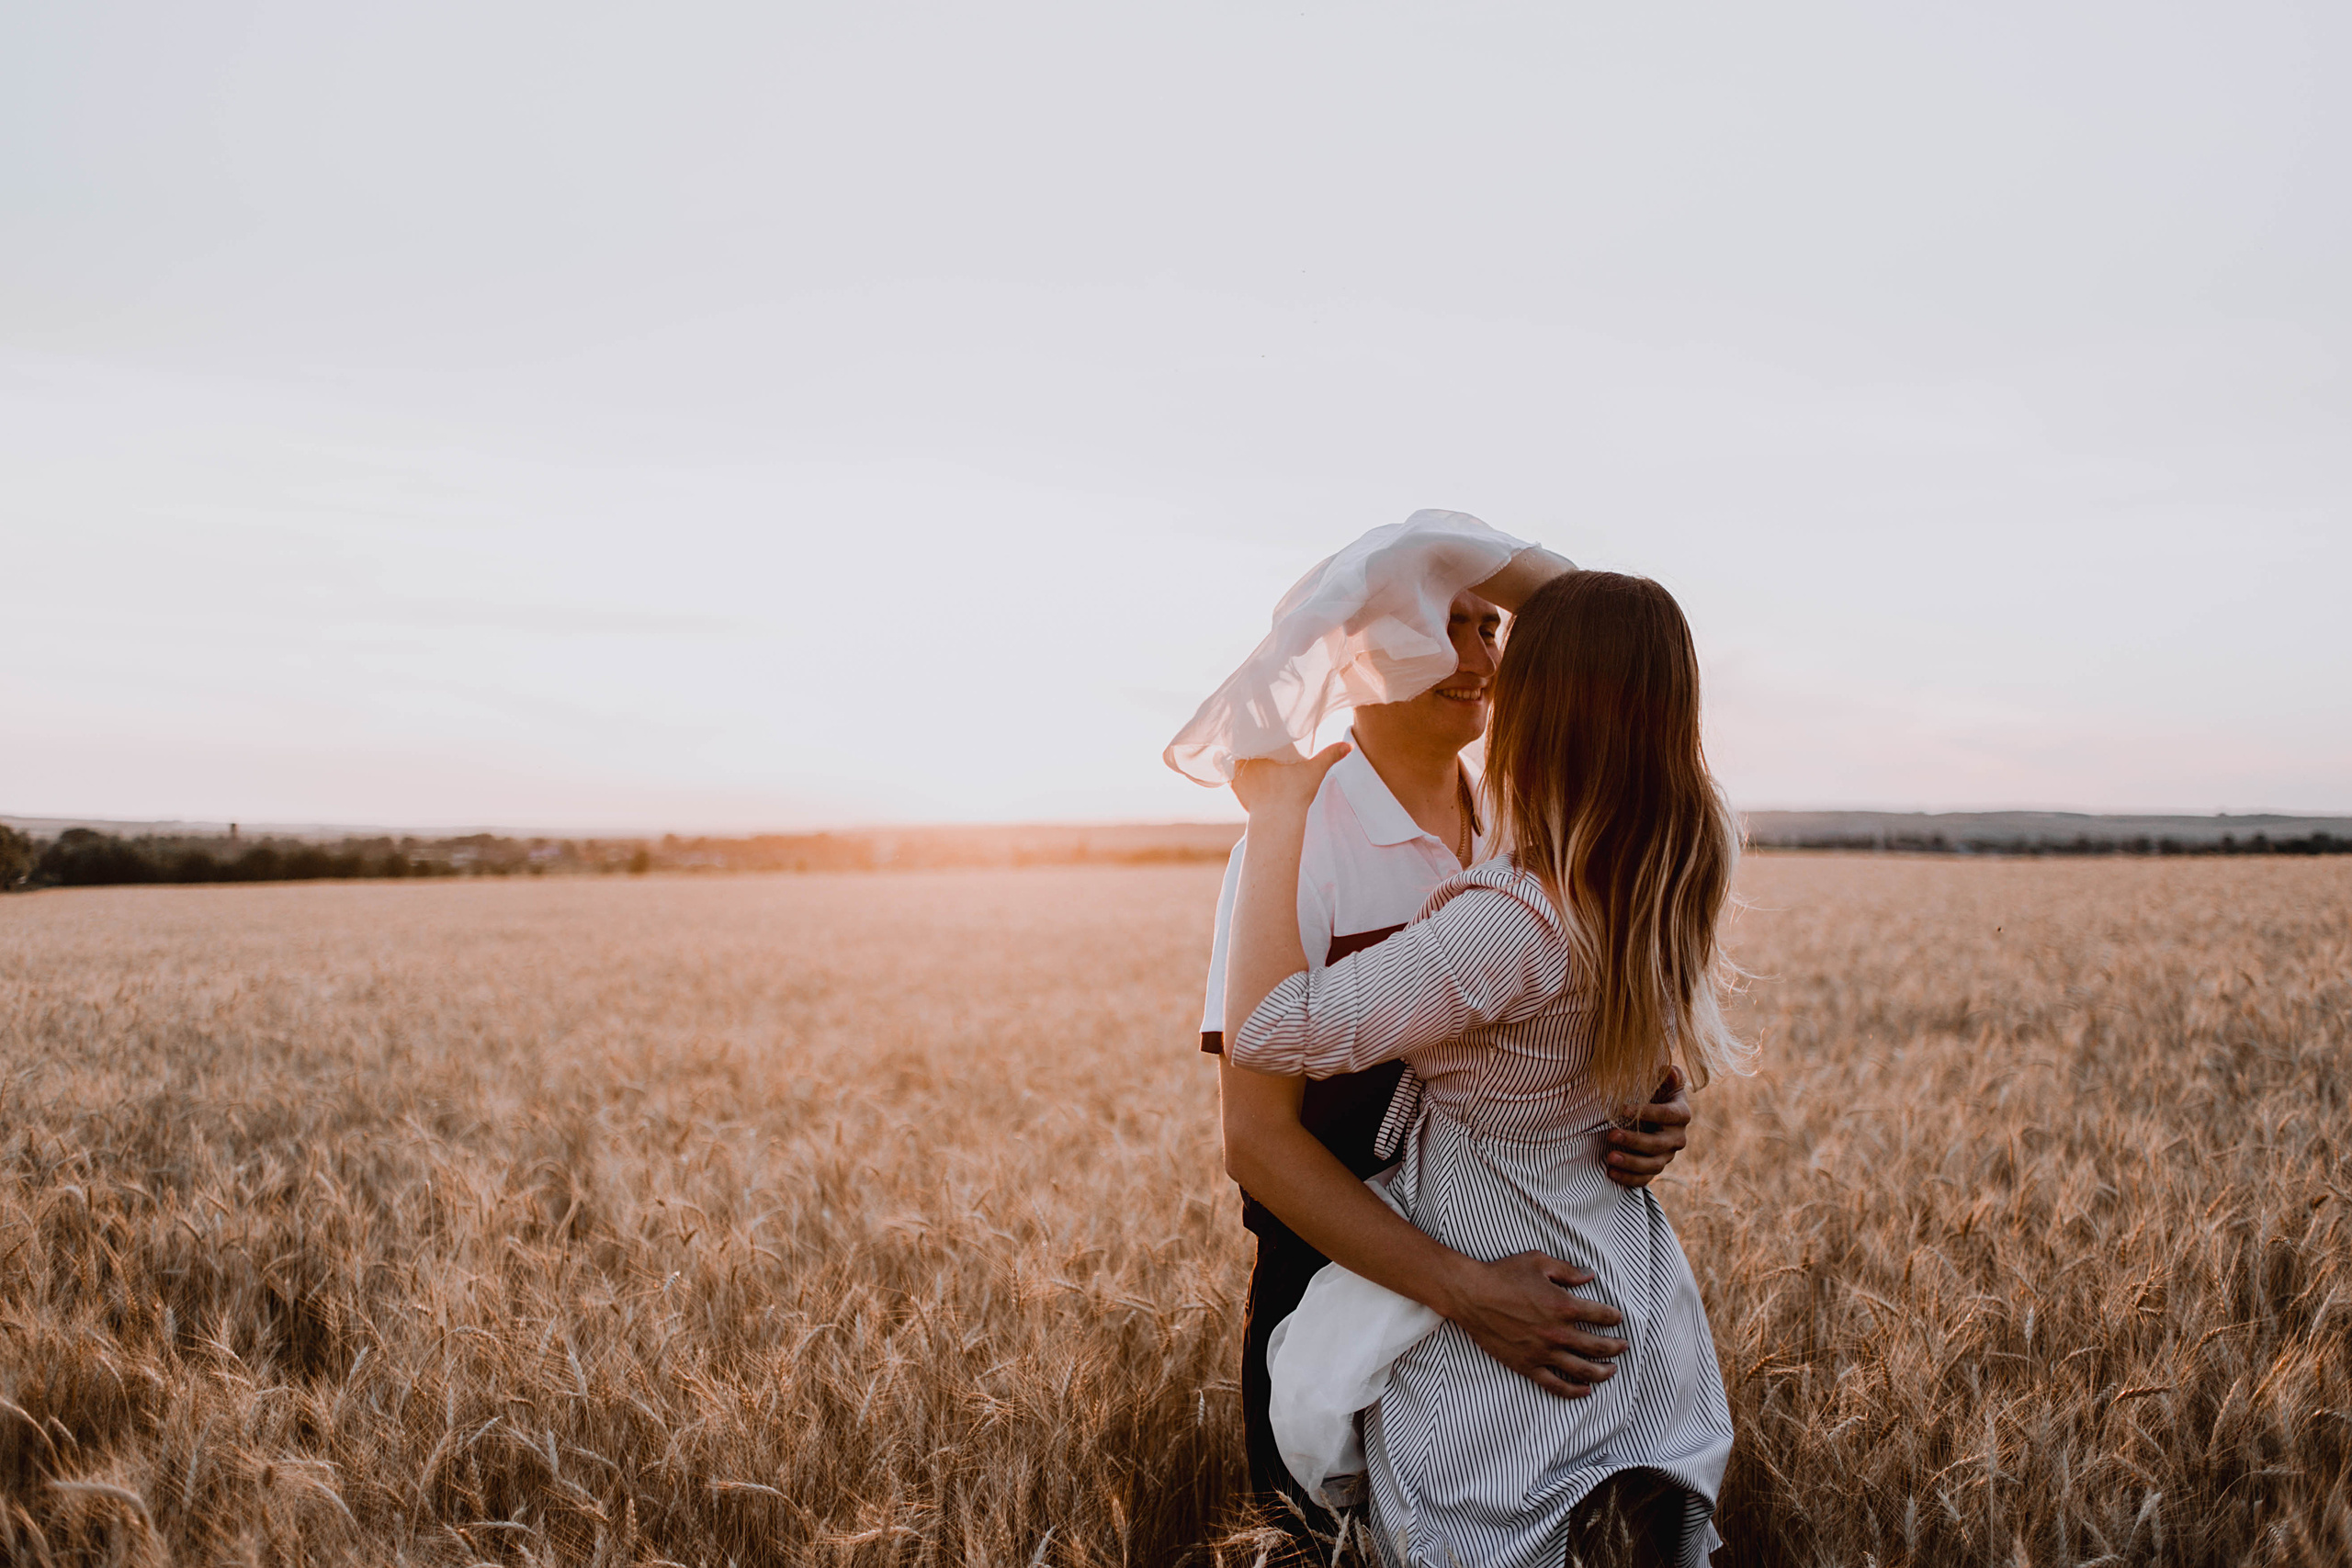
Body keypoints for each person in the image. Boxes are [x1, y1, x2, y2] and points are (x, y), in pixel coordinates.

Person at [1167, 513, 1692, 1535]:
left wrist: (1644, 1101)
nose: (1479, 658)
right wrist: (1464, 1291)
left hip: (1527, 1294)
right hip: (1340, 1300)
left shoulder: (1530, 826)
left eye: (1490, 626)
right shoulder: (1296, 844)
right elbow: (1256, 1140)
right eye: (1438, 623)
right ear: (1357, 647)